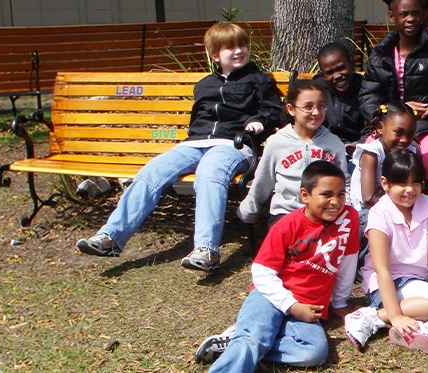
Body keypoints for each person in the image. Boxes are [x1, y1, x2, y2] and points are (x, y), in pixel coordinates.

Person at [75, 23, 282, 272]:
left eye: (242, 45)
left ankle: (207, 250)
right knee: (152, 172)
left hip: (233, 145)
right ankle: (111, 237)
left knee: (210, 174)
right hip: (195, 144)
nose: (239, 51)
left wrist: (258, 122)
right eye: (230, 47)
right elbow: (198, 118)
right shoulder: (204, 84)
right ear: (215, 55)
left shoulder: (259, 80)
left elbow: (273, 111)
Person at [195, 161, 360, 370]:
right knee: (253, 339)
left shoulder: (349, 217)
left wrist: (340, 302)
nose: (335, 202)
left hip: (307, 305)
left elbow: (348, 259)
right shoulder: (286, 225)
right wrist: (291, 306)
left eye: (341, 194)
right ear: (305, 195)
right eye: (326, 194)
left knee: (313, 352)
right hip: (270, 296)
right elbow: (262, 273)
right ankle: (246, 343)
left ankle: (239, 343)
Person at [344, 150, 428, 354]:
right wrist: (395, 315)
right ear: (385, 183)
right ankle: (375, 316)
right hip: (390, 284)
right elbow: (382, 270)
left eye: (416, 183)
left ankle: (423, 328)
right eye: (402, 184)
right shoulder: (379, 212)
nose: (410, 190)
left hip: (421, 281)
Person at [360, 0, 428, 182]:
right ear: (392, 16)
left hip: (424, 126)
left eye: (415, 14)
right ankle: (372, 203)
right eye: (404, 14)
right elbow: (369, 95)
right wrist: (395, 110)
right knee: (369, 156)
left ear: (423, 15)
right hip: (390, 124)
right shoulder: (382, 53)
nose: (410, 19)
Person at [236, 79, 348, 229]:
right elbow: (263, 182)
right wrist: (248, 211)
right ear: (291, 109)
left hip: (324, 214)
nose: (315, 112)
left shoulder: (333, 143)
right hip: (286, 213)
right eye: (307, 107)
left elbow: (344, 182)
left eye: (321, 106)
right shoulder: (277, 143)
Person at [348, 101, 417, 215]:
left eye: (410, 134)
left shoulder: (410, 151)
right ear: (380, 127)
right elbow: (369, 198)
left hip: (397, 204)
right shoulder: (372, 154)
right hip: (367, 210)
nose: (404, 140)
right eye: (398, 132)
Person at [314, 42, 367, 147]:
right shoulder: (318, 90)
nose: (337, 76)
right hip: (327, 145)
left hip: (358, 146)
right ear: (323, 75)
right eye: (329, 72)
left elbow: (372, 124)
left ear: (352, 65)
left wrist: (361, 144)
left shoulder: (365, 89)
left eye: (341, 68)